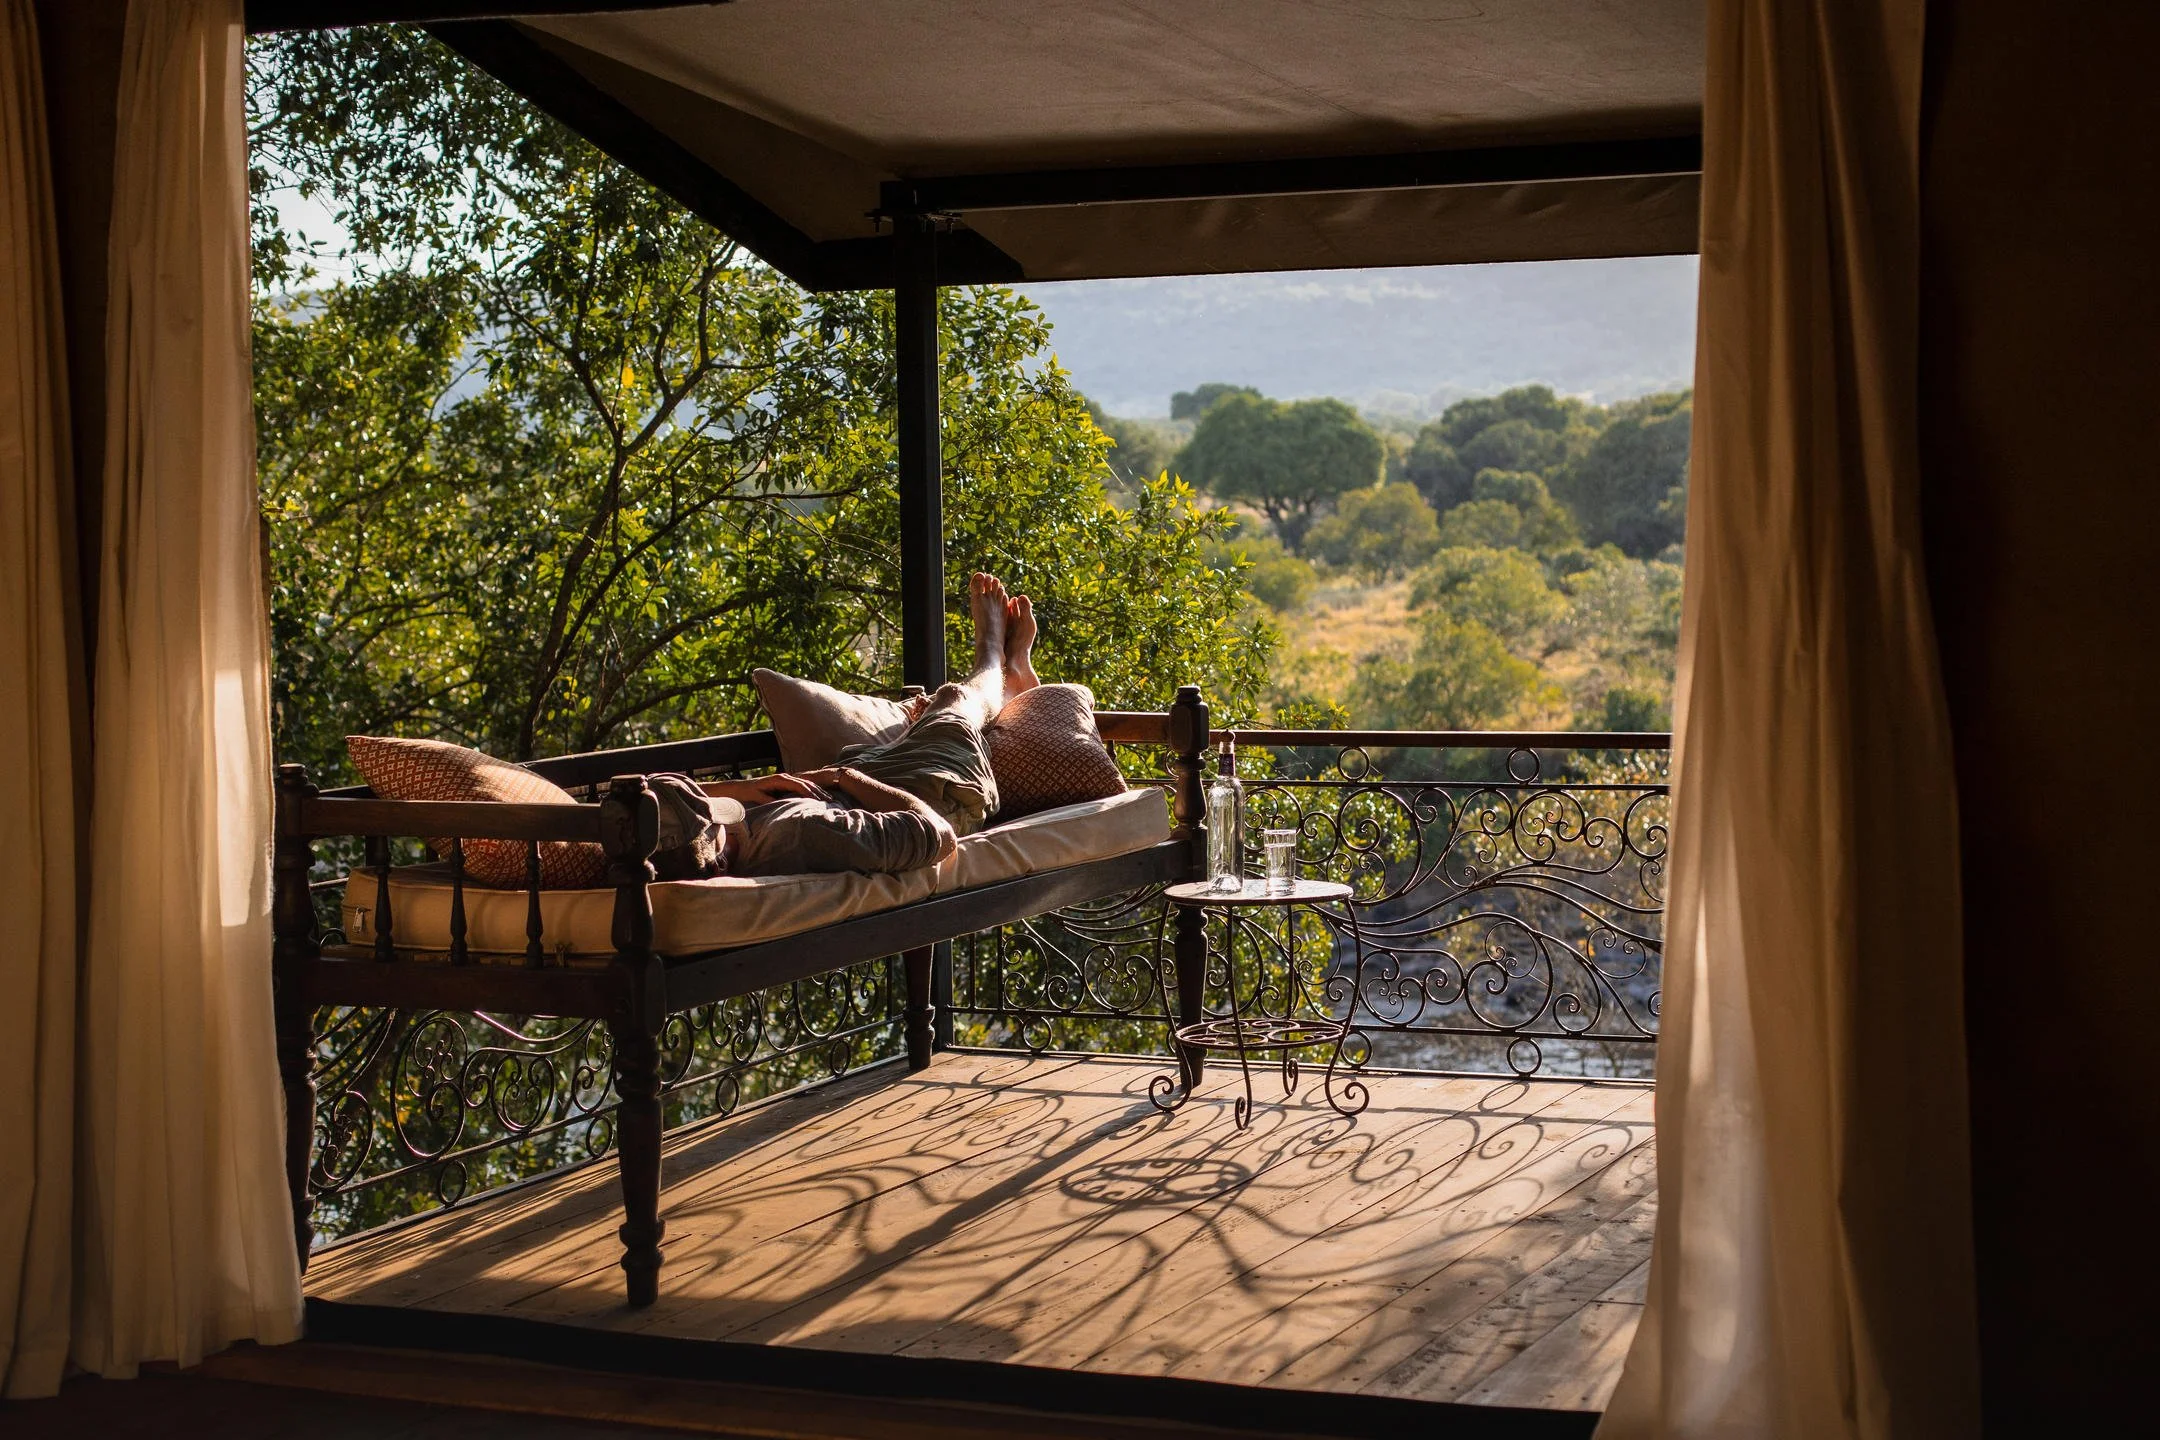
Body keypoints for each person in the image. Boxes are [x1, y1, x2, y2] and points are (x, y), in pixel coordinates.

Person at [700, 573, 1041, 877]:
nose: (712, 815)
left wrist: (747, 788)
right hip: (934, 789)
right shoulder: (805, 835)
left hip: (873, 775)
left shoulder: (712, 835)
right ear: (718, 863)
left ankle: (1003, 684)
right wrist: (841, 777)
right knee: (952, 699)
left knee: (925, 715)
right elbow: (937, 833)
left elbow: (669, 788)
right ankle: (995, 657)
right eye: (712, 823)